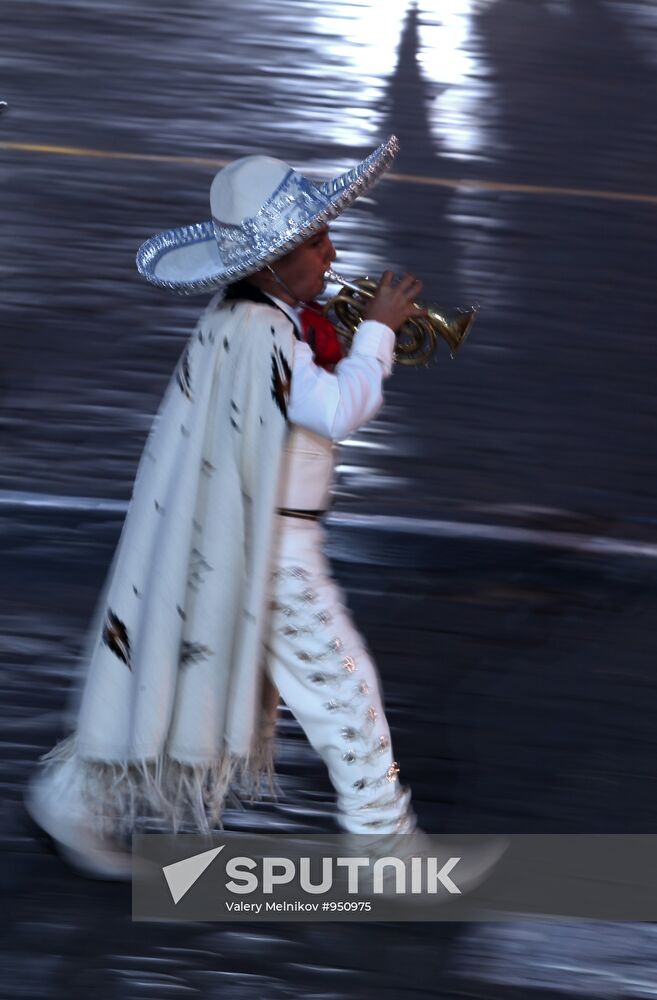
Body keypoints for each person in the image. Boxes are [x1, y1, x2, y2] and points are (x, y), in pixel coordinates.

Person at [26, 135, 428, 878]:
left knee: (180, 680)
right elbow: (337, 411)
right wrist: (377, 332)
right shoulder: (262, 335)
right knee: (345, 696)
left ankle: (75, 798)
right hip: (272, 555)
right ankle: (386, 849)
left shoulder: (249, 320)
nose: (332, 253)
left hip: (246, 541)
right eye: (315, 241)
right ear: (275, 262)